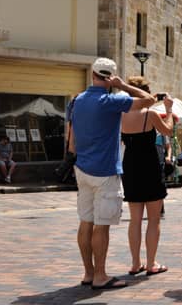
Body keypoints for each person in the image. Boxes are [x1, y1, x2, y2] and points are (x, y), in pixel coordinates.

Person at [70, 57, 155, 290]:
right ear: (111, 78)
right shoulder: (111, 100)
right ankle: (100, 276)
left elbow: (71, 143)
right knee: (102, 225)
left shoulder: (76, 100)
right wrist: (123, 86)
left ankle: (88, 273)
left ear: (92, 74)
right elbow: (149, 100)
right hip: (105, 170)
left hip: (82, 168)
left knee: (85, 222)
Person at [120, 76, 173, 277]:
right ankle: (151, 263)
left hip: (130, 165)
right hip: (149, 165)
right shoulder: (149, 113)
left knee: (135, 220)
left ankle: (135, 263)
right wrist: (168, 110)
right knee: (153, 219)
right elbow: (167, 129)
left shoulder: (121, 113)